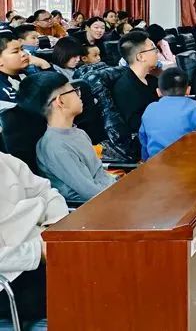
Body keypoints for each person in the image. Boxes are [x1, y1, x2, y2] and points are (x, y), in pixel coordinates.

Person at [21, 72, 117, 201]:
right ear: (60, 101)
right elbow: (90, 192)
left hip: (111, 192)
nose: (79, 95)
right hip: (95, 205)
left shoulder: (79, 133)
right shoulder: (55, 146)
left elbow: (99, 174)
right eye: (74, 91)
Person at [0, 152, 68, 325]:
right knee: (86, 289)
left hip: (46, 242)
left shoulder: (6, 161)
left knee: (103, 263)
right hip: (10, 275)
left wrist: (54, 226)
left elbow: (47, 192)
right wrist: (39, 252)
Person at [138, 68, 196, 161]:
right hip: (187, 164)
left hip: (155, 164)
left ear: (158, 92)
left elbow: (143, 140)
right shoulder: (193, 107)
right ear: (188, 90)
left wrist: (145, 161)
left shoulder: (150, 109)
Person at [112, 31, 159, 135]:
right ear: (140, 57)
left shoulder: (152, 80)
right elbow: (136, 124)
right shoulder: (124, 88)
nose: (157, 52)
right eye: (153, 49)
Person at [0, 30, 52, 110]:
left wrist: (45, 64)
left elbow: (54, 88)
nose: (24, 54)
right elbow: (26, 103)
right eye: (15, 52)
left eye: (22, 49)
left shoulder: (24, 73)